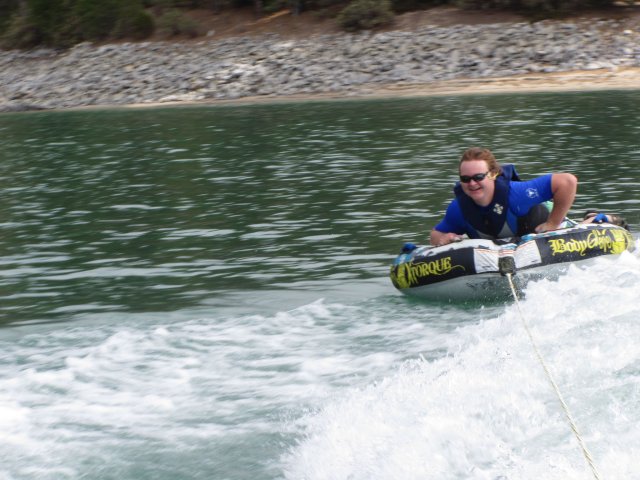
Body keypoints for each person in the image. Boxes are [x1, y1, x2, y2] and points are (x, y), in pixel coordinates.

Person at [430, 147, 578, 246]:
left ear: (493, 174)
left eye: (479, 177)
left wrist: (552, 223)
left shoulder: (516, 194)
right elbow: (436, 234)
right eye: (465, 179)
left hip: (544, 222)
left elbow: (567, 181)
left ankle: (590, 218)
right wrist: (444, 239)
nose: (472, 183)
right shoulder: (458, 209)